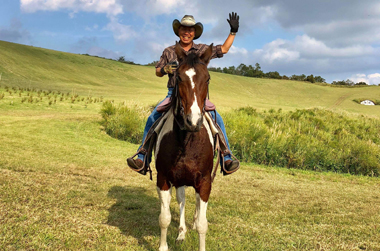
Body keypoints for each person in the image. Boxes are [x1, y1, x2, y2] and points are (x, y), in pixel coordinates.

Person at [127, 12, 240, 174]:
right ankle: (142, 155)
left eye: (190, 30)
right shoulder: (169, 51)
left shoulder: (202, 50)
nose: (187, 32)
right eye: (183, 29)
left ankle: (227, 157)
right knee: (153, 117)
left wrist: (233, 32)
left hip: (197, 95)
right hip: (174, 94)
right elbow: (158, 71)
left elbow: (224, 49)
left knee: (217, 118)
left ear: (194, 33)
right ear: (178, 31)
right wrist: (165, 69)